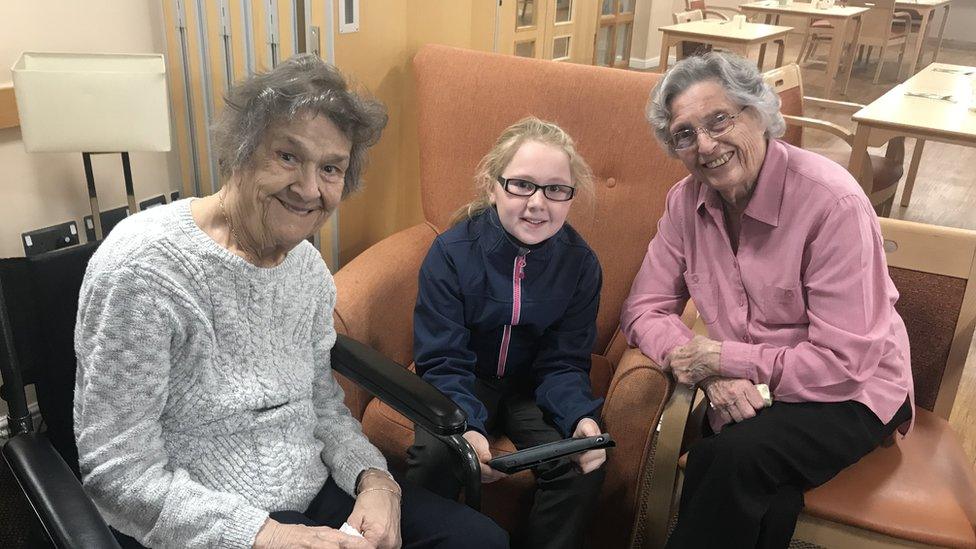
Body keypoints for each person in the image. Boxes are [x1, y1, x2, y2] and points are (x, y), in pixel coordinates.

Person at [73, 53, 508, 549]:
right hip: (201, 514)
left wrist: (375, 481)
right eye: (287, 156)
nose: (309, 188)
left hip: (310, 487)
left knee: (480, 541)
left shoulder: (306, 270)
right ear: (240, 151)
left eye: (330, 168)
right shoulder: (144, 270)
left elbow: (321, 402)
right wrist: (265, 535)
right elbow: (118, 473)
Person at [620, 52, 914, 548]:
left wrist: (727, 359)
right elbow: (643, 307)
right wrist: (708, 368)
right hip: (753, 390)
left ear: (758, 112)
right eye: (685, 134)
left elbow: (845, 362)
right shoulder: (683, 204)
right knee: (758, 493)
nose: (706, 145)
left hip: (854, 391)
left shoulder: (831, 203)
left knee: (727, 462)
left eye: (719, 120)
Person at [405, 117, 607, 549]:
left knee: (581, 464)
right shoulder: (451, 253)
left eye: (556, 189)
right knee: (439, 455)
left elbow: (565, 361)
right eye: (522, 185)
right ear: (493, 186)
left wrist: (579, 417)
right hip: (464, 379)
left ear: (571, 197)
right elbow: (442, 358)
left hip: (532, 388)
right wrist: (467, 427)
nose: (538, 203)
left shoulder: (581, 264)